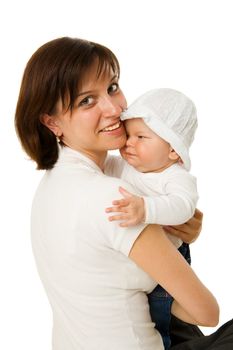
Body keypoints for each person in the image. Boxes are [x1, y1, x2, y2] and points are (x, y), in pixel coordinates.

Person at [15, 36, 233, 349]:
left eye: (113, 87)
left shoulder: (53, 185)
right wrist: (170, 255)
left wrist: (172, 231)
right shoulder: (111, 197)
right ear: (52, 122)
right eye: (86, 101)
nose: (114, 108)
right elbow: (205, 312)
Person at [104, 88, 199, 349]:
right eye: (129, 134)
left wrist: (145, 209)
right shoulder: (123, 166)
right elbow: (97, 167)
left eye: (141, 137)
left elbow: (183, 206)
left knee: (159, 318)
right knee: (138, 314)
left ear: (173, 151)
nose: (129, 142)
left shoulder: (175, 176)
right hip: (136, 263)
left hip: (167, 265)